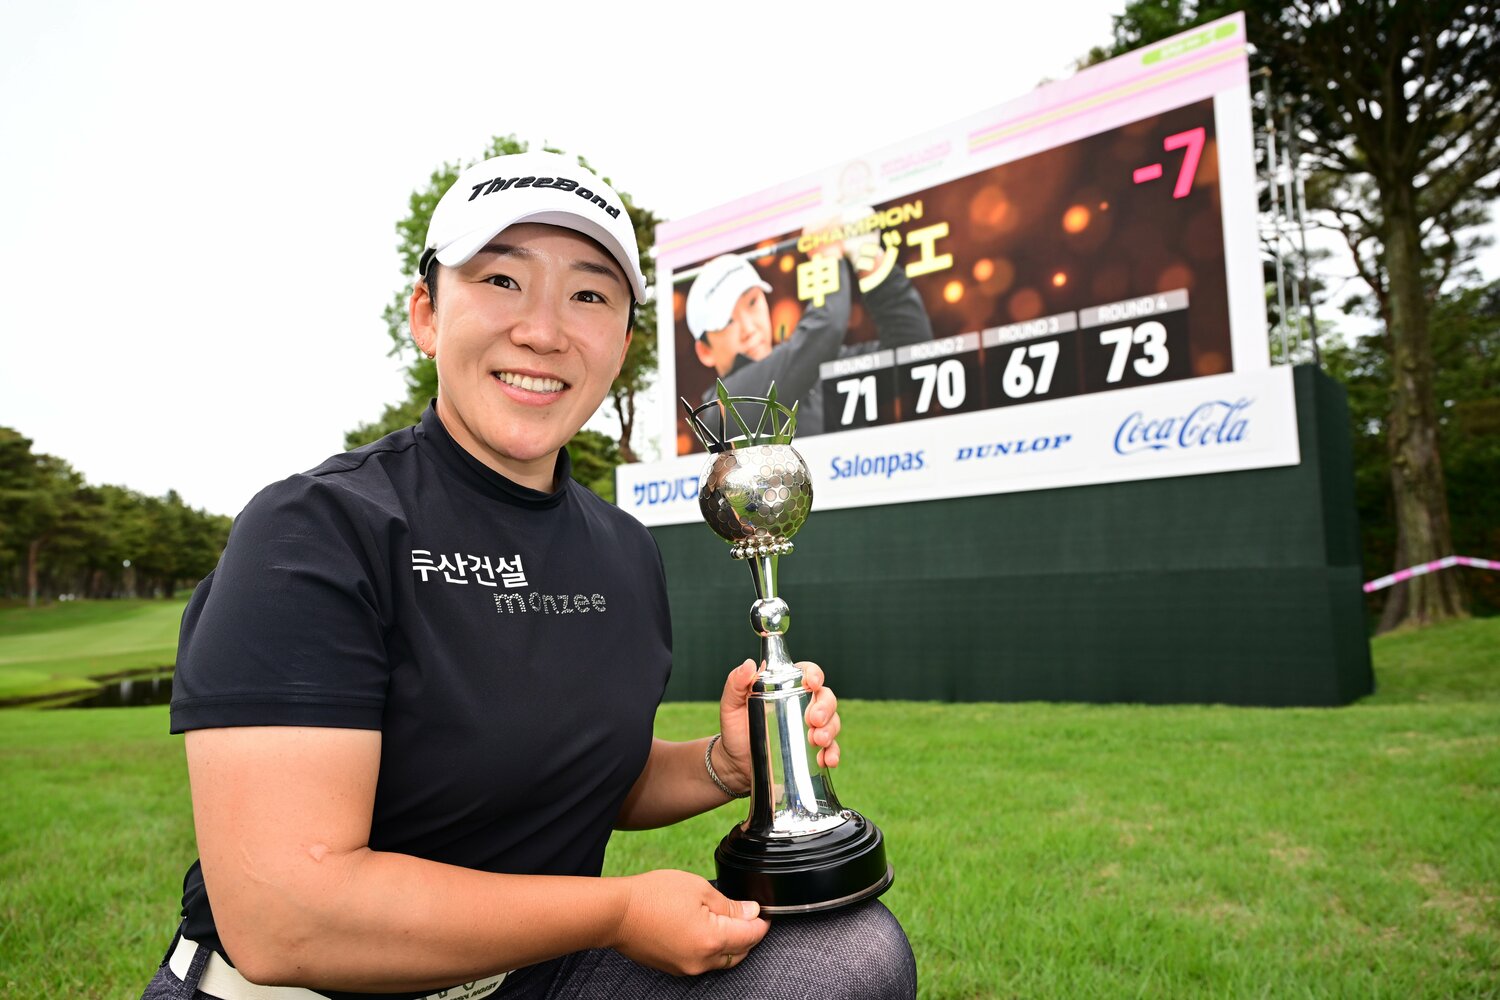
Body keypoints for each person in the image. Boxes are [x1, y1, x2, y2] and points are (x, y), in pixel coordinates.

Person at [140, 150, 916, 1000]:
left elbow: (567, 778)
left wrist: (724, 767)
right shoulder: (317, 531)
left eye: (588, 294)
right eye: (503, 281)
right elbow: (288, 914)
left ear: (621, 344)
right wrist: (615, 912)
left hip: (525, 983)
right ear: (427, 315)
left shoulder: (621, 550)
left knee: (851, 956)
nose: (543, 330)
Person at [685, 216, 934, 438]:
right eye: (727, 322)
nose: (748, 328)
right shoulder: (722, 412)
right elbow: (826, 328)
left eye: (752, 303)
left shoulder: (814, 365)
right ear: (704, 351)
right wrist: (825, 257)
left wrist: (869, 260)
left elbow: (912, 353)